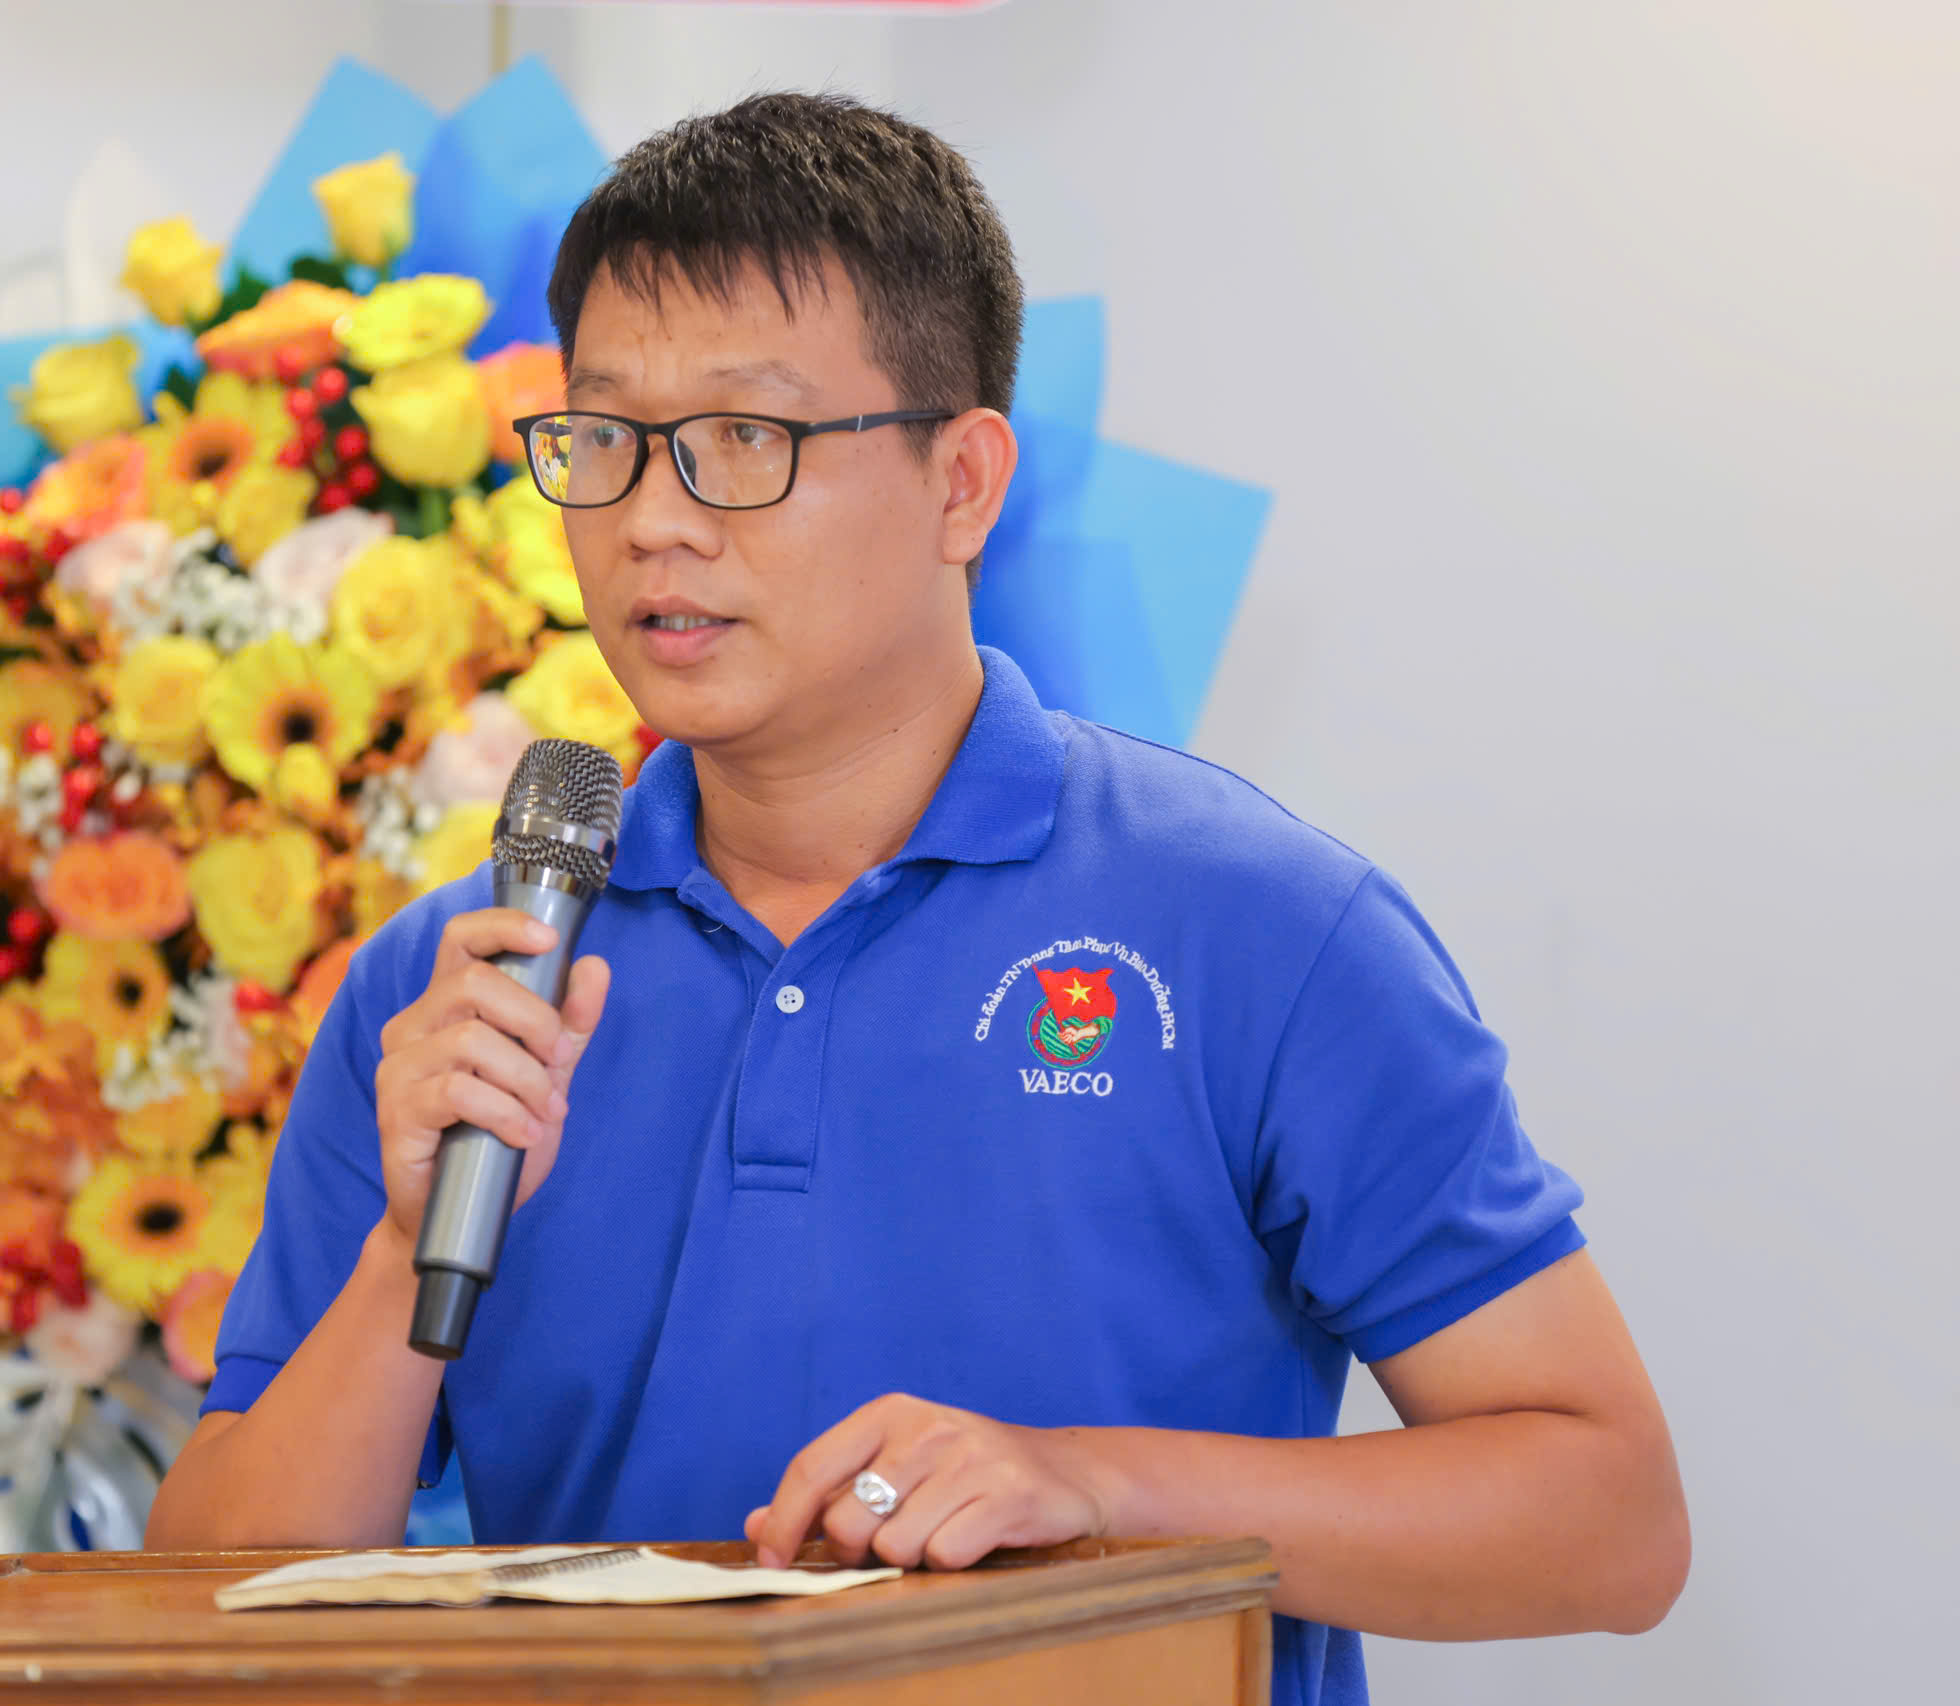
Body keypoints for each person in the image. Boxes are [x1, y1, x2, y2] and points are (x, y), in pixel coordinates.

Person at [147, 92, 1688, 1705]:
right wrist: (408, 1248)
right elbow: (199, 1606)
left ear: (964, 481)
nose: (653, 517)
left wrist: (1095, 1483)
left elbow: (1610, 1515)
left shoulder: (1255, 924)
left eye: (746, 439)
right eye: (602, 439)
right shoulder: (465, 983)